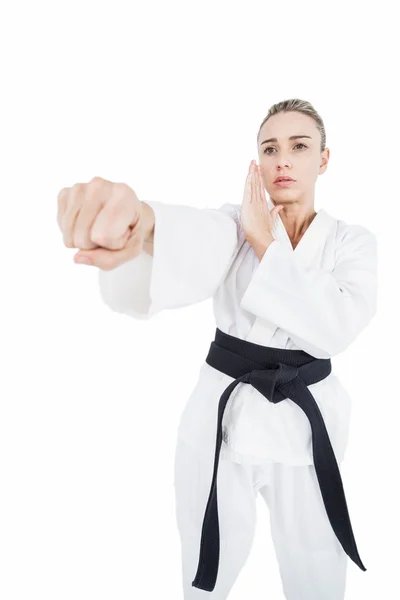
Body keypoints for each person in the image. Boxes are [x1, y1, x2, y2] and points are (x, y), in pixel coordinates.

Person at [57, 98, 378, 600]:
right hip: (222, 416)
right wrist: (140, 223)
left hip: (306, 419)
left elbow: (336, 326)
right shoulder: (236, 224)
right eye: (270, 149)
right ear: (257, 162)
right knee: (205, 557)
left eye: (299, 146)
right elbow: (195, 240)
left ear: (324, 159)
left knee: (315, 559)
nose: (283, 160)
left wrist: (264, 241)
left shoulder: (351, 243)